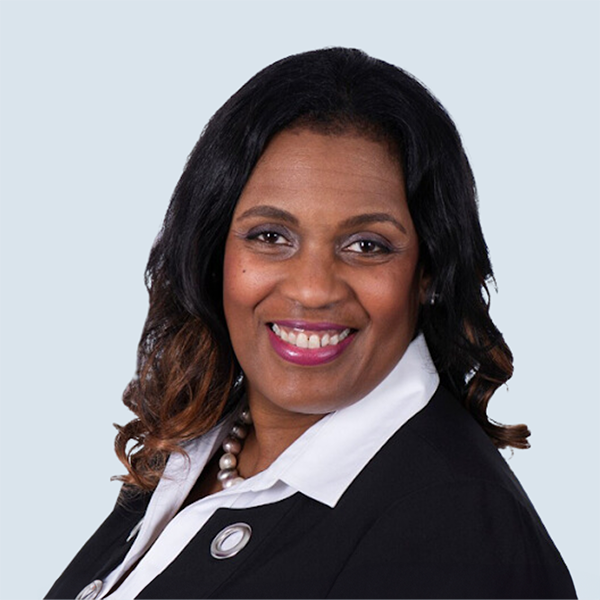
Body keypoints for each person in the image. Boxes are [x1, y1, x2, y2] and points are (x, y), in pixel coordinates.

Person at [46, 48, 576, 599]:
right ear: (213, 252)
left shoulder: (456, 525)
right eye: (271, 236)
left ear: (428, 273)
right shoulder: (188, 450)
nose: (313, 288)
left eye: (367, 245)